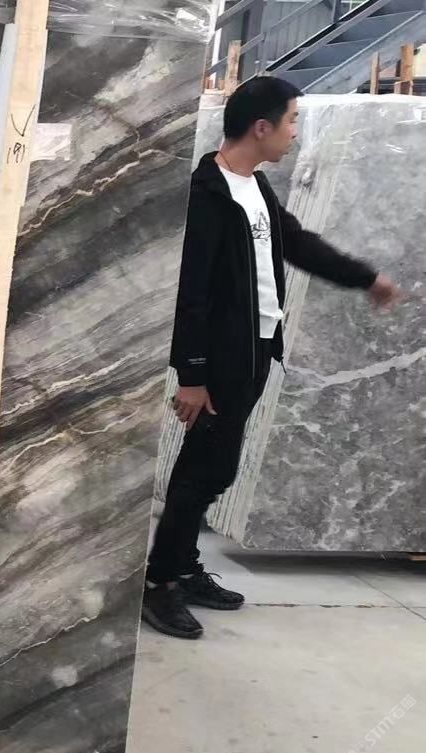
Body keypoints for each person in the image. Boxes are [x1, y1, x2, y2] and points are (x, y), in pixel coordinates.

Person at [141, 76, 404, 639]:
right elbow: (191, 293)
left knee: (213, 468)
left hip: (257, 350)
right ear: (261, 128)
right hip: (221, 360)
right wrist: (192, 376)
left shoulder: (255, 186)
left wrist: (364, 278)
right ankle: (160, 582)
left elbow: (299, 244)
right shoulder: (207, 194)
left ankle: (182, 566)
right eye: (291, 121)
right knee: (203, 470)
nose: (295, 132)